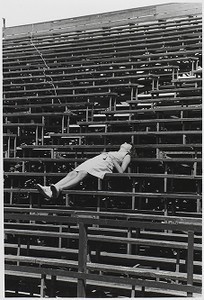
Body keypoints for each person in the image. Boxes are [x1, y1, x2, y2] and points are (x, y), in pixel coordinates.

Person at [36, 142, 132, 200]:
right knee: (73, 173)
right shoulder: (115, 152)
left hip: (105, 164)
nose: (124, 142)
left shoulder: (127, 155)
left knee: (82, 173)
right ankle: (50, 189)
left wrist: (112, 159)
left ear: (130, 149)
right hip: (98, 159)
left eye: (128, 143)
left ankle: (58, 189)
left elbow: (121, 171)